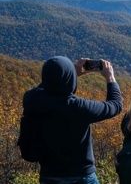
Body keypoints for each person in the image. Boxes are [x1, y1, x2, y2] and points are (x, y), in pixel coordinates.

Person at [21, 56, 123, 184]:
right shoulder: (79, 108)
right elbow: (115, 105)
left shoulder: (32, 101)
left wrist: (67, 74)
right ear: (70, 79)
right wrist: (110, 78)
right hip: (82, 177)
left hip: (49, 177)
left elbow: (42, 88)